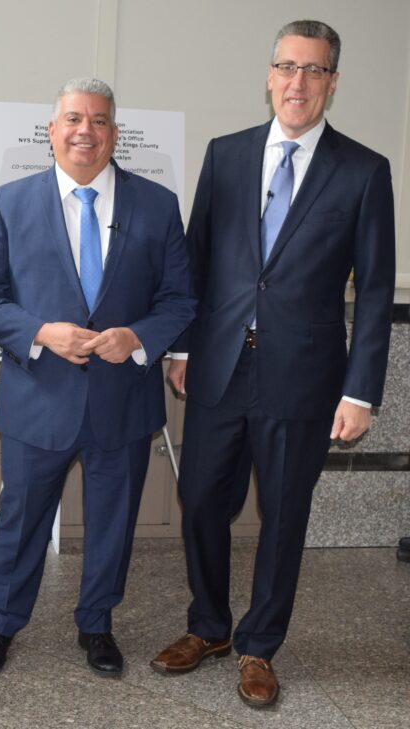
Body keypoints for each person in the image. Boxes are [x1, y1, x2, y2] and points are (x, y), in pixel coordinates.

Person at [150, 20, 395, 708]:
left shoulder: (364, 171)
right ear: (269, 76)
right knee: (199, 497)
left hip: (305, 377)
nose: (298, 82)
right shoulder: (227, 155)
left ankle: (259, 644)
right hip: (221, 366)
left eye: (314, 71)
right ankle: (210, 626)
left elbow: (374, 290)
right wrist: (183, 347)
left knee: (284, 512)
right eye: (287, 67)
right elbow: (197, 259)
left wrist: (362, 391)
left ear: (333, 82)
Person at [0, 78, 195, 676]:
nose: (84, 131)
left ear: (114, 133)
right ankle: (3, 622)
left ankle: (97, 624)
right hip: (38, 398)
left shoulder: (158, 205)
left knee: (113, 522)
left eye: (97, 121)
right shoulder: (8, 203)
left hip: (123, 399)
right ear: (52, 130)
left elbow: (179, 300)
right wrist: (42, 333)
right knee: (21, 517)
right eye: (73, 119)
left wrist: (137, 338)